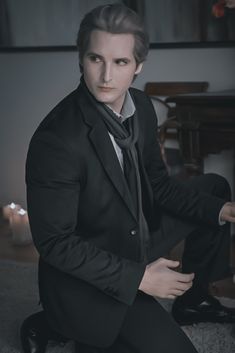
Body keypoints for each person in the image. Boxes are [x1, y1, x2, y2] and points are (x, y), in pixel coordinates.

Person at [22, 4, 235, 353]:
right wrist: (141, 278)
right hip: (90, 273)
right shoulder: (56, 140)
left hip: (135, 234)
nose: (106, 76)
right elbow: (55, 243)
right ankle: (50, 323)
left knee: (214, 192)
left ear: (138, 66)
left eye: (120, 62)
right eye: (95, 59)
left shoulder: (141, 107)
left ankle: (194, 301)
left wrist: (223, 211)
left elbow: (159, 186)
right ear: (81, 59)